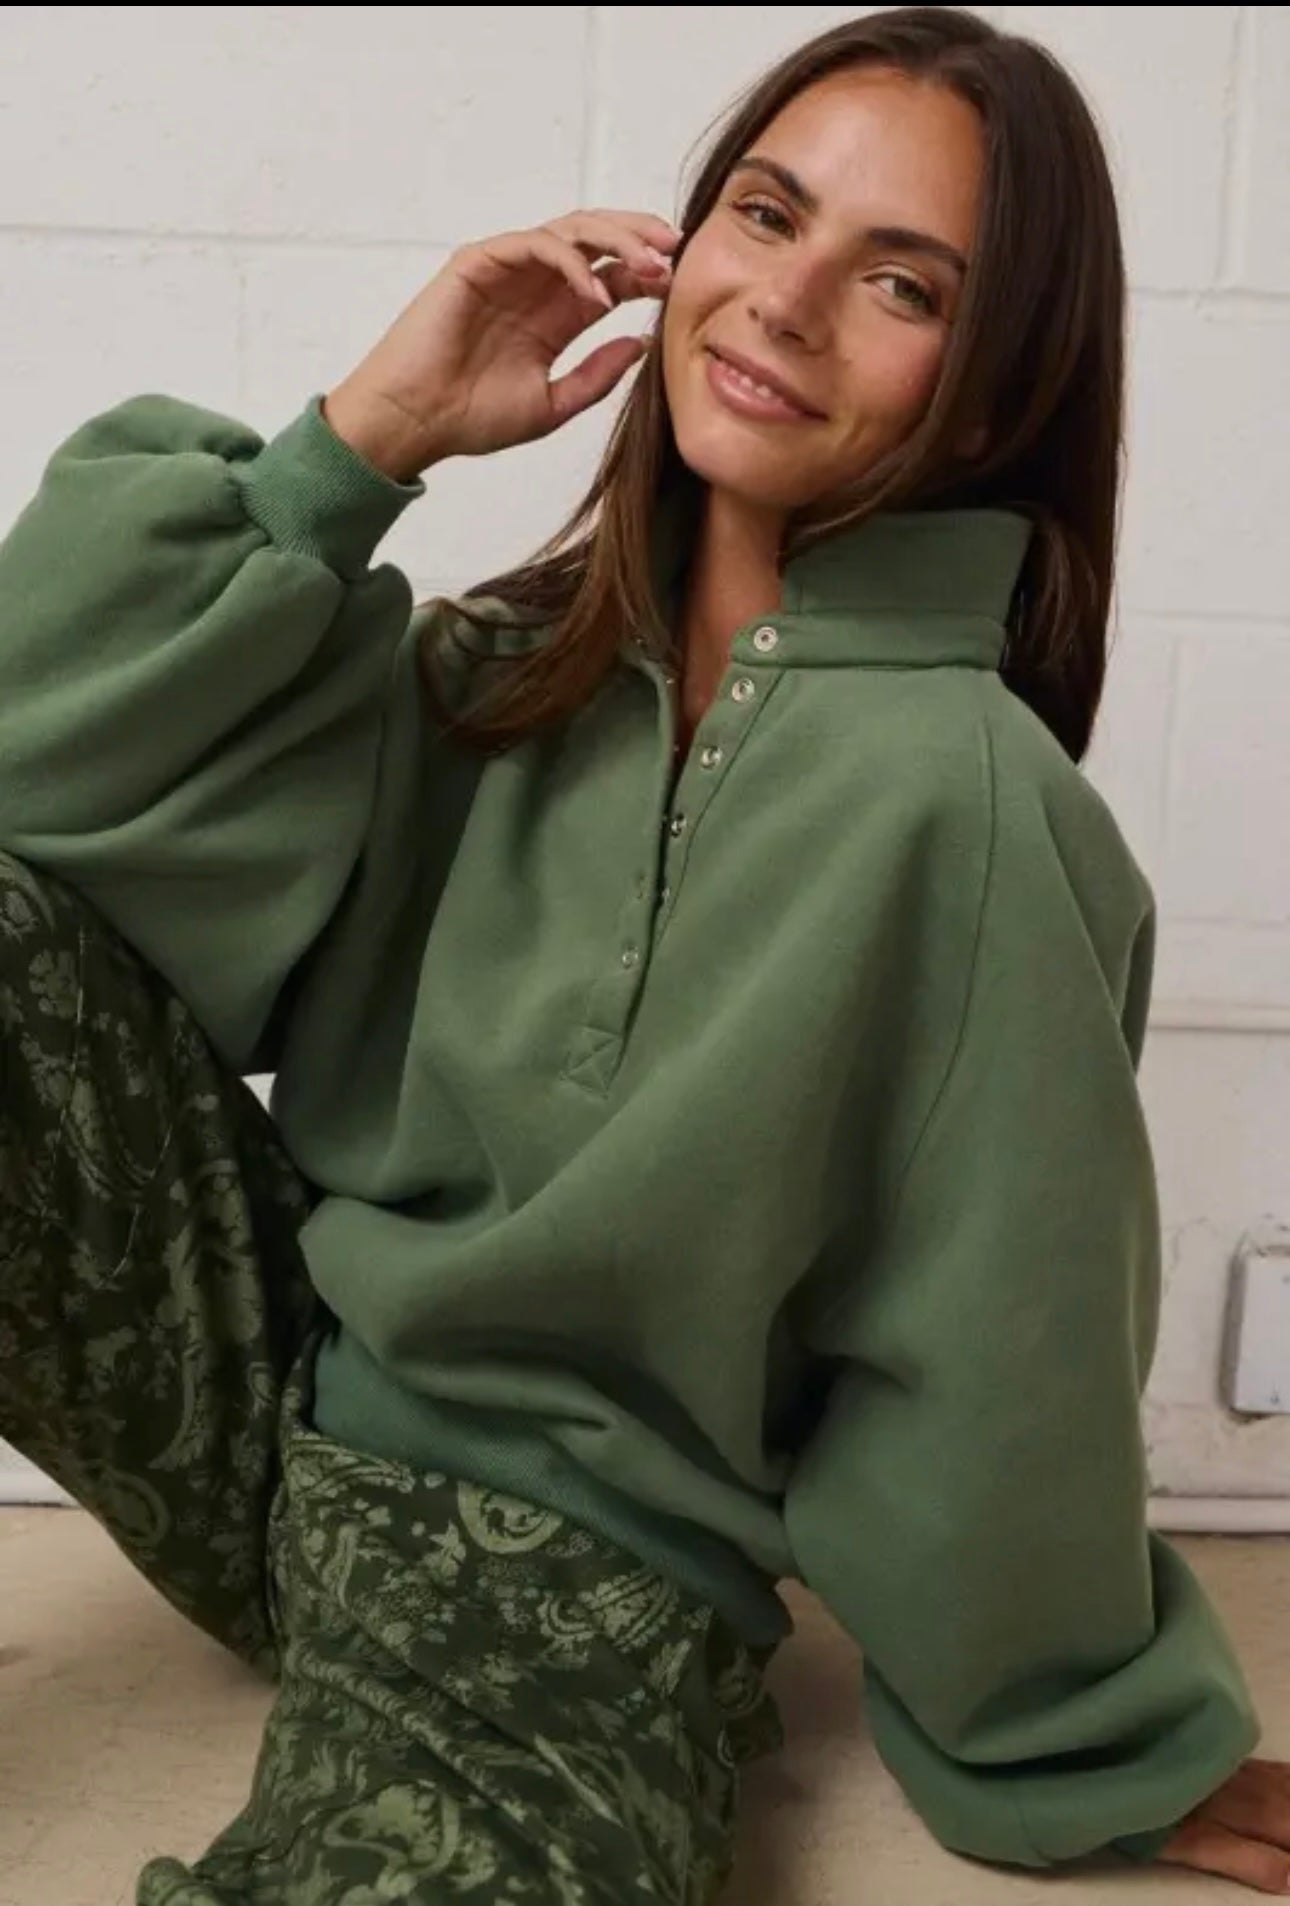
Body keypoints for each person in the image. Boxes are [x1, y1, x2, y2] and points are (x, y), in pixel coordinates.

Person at [1, 5, 1287, 1900]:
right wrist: (361, 443)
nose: (788, 300)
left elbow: (1004, 1343)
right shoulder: (496, 673)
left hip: (549, 1566)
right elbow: (33, 763)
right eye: (766, 214)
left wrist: (1079, 1739)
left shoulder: (973, 817)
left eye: (902, 283)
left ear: (990, 393)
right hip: (263, 1389)